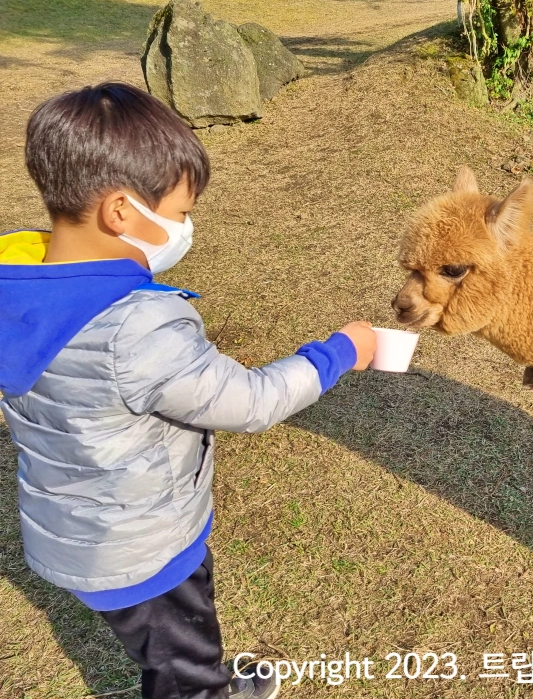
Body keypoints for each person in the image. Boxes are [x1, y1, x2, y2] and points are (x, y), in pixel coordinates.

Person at [0, 83, 377, 699]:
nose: (185, 228)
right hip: (144, 551)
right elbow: (253, 401)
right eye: (179, 213)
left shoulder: (16, 282)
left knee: (166, 647)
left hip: (74, 530)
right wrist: (339, 351)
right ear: (121, 211)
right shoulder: (136, 327)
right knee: (181, 666)